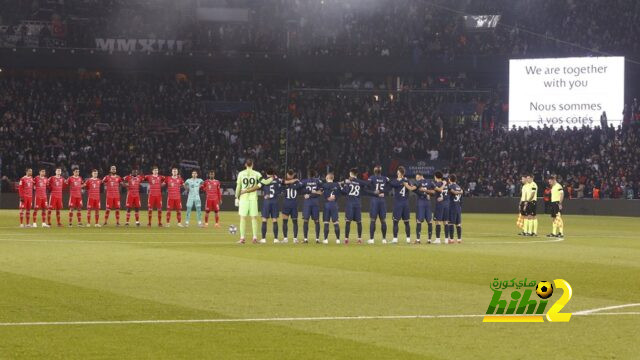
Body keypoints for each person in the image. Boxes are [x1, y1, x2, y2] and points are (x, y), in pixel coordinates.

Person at [235, 159, 272, 244]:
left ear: (245, 165)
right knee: (254, 218)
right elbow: (265, 182)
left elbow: (238, 186)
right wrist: (272, 178)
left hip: (243, 197)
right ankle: (255, 238)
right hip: (253, 198)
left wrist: (236, 197)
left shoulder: (241, 173)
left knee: (242, 218)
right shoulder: (256, 173)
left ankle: (242, 238)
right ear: (252, 165)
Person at [342, 168, 369, 244]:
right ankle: (359, 239)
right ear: (356, 174)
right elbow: (366, 184)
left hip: (350, 204)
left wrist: (344, 185)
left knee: (348, 222)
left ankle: (346, 239)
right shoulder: (360, 182)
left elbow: (345, 191)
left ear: (351, 173)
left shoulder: (348, 181)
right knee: (359, 222)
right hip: (357, 203)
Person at [388, 166, 414, 244]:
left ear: (401, 173)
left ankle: (395, 239)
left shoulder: (396, 181)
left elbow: (391, 183)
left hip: (398, 204)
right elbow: (411, 186)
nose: (397, 173)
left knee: (395, 222)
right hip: (405, 204)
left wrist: (388, 180)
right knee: (406, 222)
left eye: (398, 172)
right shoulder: (407, 180)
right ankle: (408, 240)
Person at [299, 169, 323, 244]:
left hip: (307, 203)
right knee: (317, 221)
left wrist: (308, 194)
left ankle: (305, 239)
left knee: (306, 220)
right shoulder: (318, 181)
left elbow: (300, 190)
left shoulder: (304, 181)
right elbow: (320, 192)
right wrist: (313, 193)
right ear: (315, 175)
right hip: (315, 202)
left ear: (308, 175)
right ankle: (317, 239)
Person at [367, 165, 389, 244]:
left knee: (373, 220)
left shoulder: (371, 178)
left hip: (375, 201)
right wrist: (384, 193)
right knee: (383, 220)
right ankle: (384, 239)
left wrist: (374, 193)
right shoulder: (385, 178)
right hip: (382, 201)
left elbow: (366, 189)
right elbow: (389, 187)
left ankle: (372, 239)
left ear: (374, 171)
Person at [281, 169, 304, 243]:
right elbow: (301, 185)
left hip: (288, 204)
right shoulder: (295, 182)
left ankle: (288, 239)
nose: (289, 176)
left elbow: (302, 185)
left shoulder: (284, 182)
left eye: (290, 174)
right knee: (291, 222)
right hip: (292, 204)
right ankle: (292, 239)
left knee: (288, 222)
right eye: (289, 174)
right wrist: (294, 180)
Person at [260, 169, 282, 243]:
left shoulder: (264, 180)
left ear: (266, 173)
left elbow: (259, 186)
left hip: (267, 202)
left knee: (264, 219)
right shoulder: (278, 180)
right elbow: (280, 190)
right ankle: (275, 239)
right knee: (274, 220)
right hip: (274, 201)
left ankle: (263, 239)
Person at [414, 173, 435, 244]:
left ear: (421, 176)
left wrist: (423, 191)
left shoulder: (418, 183)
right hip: (428, 203)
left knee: (419, 221)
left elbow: (413, 189)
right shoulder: (430, 181)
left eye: (417, 177)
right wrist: (427, 192)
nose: (416, 179)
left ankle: (418, 239)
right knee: (429, 221)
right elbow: (434, 191)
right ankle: (429, 240)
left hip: (421, 203)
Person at [320, 172, 341, 244]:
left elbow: (321, 193)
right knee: (336, 222)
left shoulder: (324, 185)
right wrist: (335, 198)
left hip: (327, 205)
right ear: (333, 178)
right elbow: (340, 193)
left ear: (327, 178)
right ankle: (338, 240)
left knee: (326, 222)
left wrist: (327, 198)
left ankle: (325, 239)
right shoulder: (337, 185)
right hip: (334, 204)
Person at [432, 171, 449, 244]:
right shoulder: (446, 185)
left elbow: (438, 190)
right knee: (445, 222)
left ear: (436, 176)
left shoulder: (436, 184)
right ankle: (446, 239)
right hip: (446, 205)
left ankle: (438, 239)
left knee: (437, 221)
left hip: (439, 205)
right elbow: (448, 195)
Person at [448, 174, 463, 243]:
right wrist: (460, 192)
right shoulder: (459, 187)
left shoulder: (451, 186)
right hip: (458, 207)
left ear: (450, 179)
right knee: (458, 224)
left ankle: (451, 239)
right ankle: (459, 239)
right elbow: (461, 199)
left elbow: (452, 191)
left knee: (451, 223)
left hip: (452, 207)